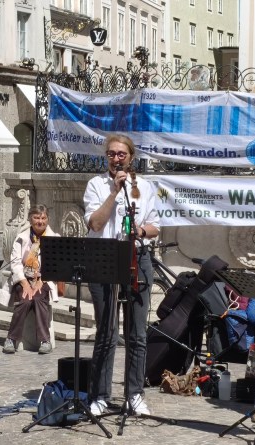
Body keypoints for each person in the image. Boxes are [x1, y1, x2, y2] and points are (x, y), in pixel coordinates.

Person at [83, 134, 160, 417]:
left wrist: (139, 231)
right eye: (112, 154)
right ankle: (100, 395)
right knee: (107, 333)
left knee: (137, 333)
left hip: (136, 258)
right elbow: (95, 222)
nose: (116, 159)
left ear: (131, 157)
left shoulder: (145, 187)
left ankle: (134, 393)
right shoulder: (96, 185)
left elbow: (154, 227)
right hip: (104, 258)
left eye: (121, 154)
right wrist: (114, 192)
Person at [0, 205, 60, 354]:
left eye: (43, 218)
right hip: (24, 278)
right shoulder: (21, 237)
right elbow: (15, 262)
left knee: (39, 298)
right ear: (30, 219)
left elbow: (55, 264)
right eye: (37, 218)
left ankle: (45, 340)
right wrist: (25, 283)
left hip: (44, 279)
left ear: (48, 219)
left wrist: (41, 280)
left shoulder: (55, 238)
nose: (40, 221)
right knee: (25, 300)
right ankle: (11, 339)